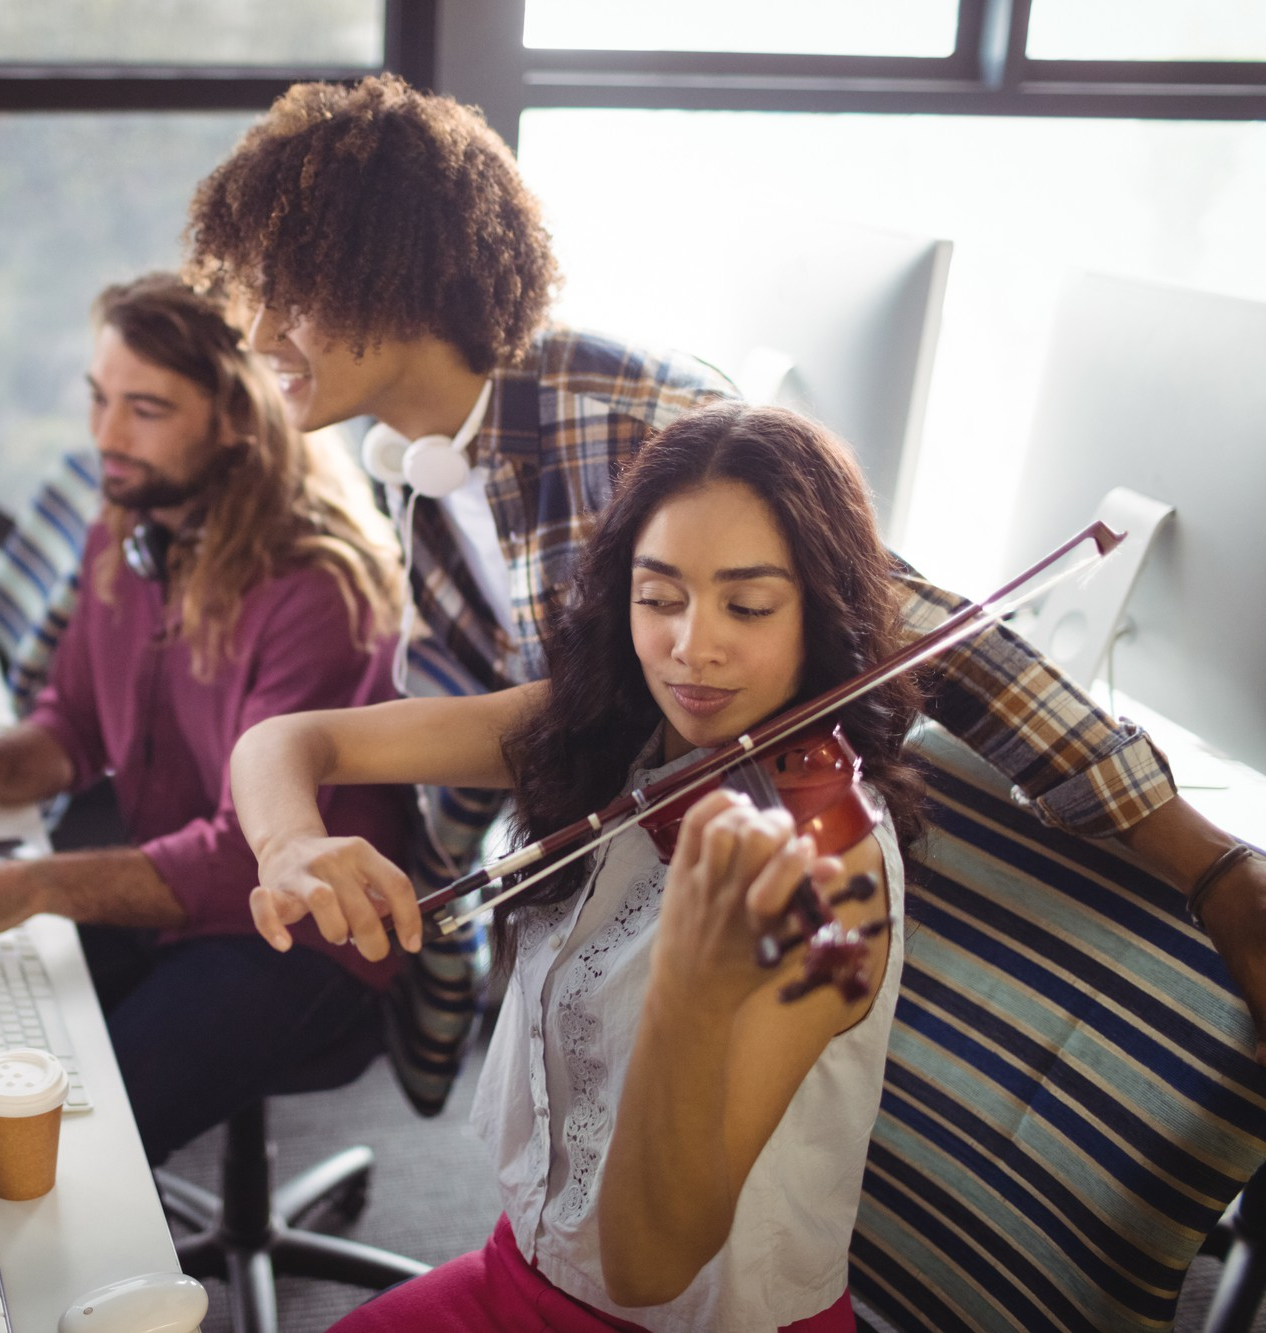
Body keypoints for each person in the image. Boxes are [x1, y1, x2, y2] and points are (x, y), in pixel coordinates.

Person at [185, 72, 1266, 1054]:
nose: (260, 327)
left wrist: (1207, 861)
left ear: (399, 283)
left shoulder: (633, 423)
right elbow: (504, 703)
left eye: (297, 290)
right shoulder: (412, 458)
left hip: (734, 891)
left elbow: (919, 624)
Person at [232, 403, 919, 1331]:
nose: (692, 646)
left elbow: (650, 1267)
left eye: (748, 606)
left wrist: (691, 988)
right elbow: (288, 740)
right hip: (521, 1274)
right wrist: (290, 843)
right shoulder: (615, 729)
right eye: (660, 595)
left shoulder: (834, 878)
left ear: (821, 611)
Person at [0, 273, 414, 1163]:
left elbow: (252, 851)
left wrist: (34, 883)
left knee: (68, 1149)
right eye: (98, 399)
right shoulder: (130, 519)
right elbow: (72, 727)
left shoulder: (317, 586)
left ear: (240, 416)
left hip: (297, 935)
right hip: (177, 893)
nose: (105, 437)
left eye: (147, 409)